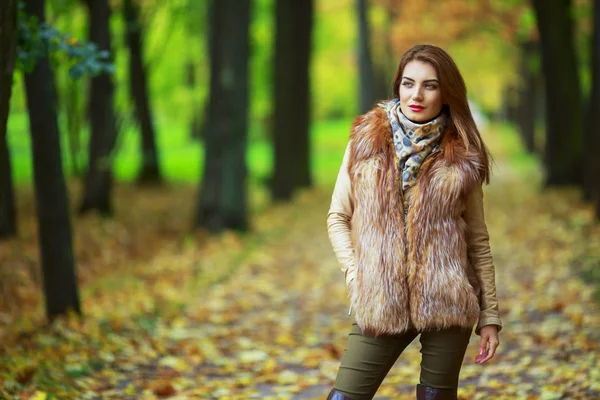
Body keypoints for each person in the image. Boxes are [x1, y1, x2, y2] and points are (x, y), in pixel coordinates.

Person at [325, 44, 502, 400]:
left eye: (429, 85)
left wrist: (490, 317)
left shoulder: (463, 156)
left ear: (446, 93)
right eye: (408, 83)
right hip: (380, 298)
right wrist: (357, 275)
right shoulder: (365, 140)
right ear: (398, 86)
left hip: (448, 299)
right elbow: (337, 218)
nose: (416, 94)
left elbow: (477, 242)